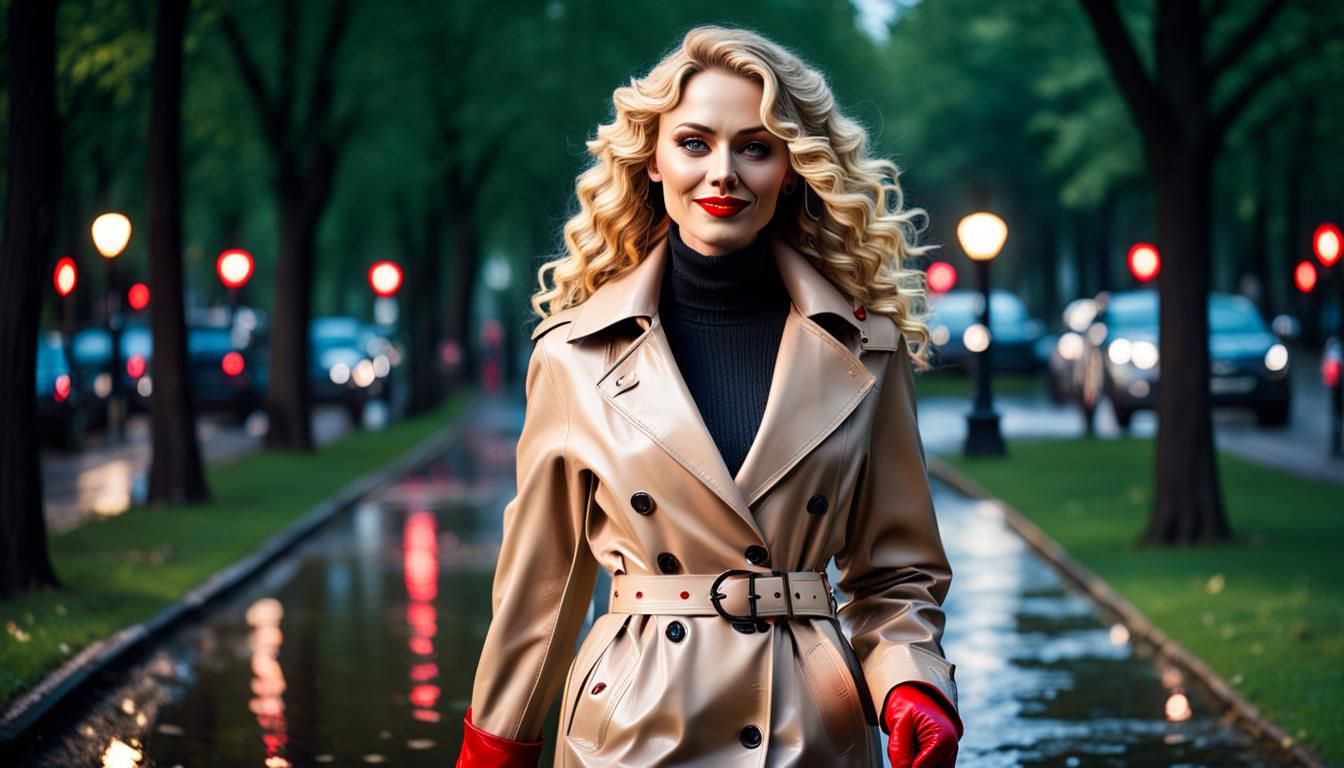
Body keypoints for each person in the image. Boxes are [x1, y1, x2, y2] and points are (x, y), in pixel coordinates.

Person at [457, 25, 962, 768]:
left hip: (810, 730)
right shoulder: (572, 354)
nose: (722, 172)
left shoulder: (867, 349)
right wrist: (494, 747)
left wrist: (911, 683)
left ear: (790, 168)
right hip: (628, 733)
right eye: (694, 143)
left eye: (755, 147)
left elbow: (895, 573)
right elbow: (542, 587)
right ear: (653, 161)